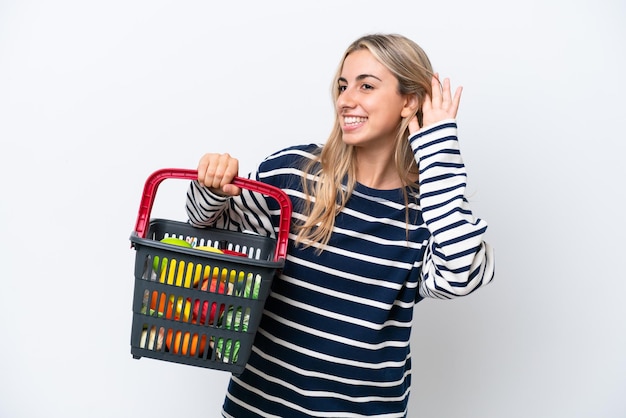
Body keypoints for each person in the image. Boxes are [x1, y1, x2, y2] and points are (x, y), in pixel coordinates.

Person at [185, 33, 495, 418]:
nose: (346, 99)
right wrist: (212, 187)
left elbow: (460, 275)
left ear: (409, 102)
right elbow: (206, 225)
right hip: (258, 408)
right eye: (343, 86)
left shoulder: (427, 211)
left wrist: (438, 151)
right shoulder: (293, 173)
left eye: (366, 85)